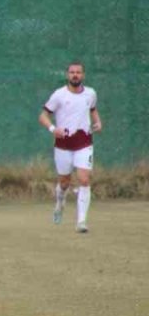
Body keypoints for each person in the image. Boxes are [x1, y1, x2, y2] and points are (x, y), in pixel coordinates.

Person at [39, 61, 102, 233]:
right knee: (64, 182)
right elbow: (43, 116)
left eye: (78, 72)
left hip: (84, 143)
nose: (75, 75)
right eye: (72, 72)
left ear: (83, 75)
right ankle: (60, 203)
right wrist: (53, 128)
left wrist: (98, 122)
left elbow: (93, 109)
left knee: (84, 179)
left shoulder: (90, 93)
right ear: (68, 75)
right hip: (63, 145)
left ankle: (81, 221)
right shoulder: (59, 95)